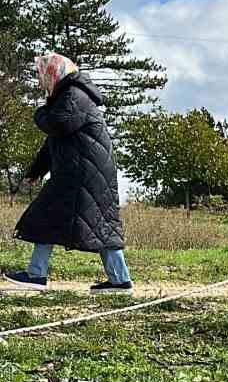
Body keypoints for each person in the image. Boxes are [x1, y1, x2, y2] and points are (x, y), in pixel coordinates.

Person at [5, 53, 133, 294]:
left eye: (42, 74)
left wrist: (39, 113)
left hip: (81, 174)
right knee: (100, 225)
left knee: (45, 217)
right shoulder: (69, 96)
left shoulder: (74, 95)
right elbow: (55, 140)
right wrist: (36, 171)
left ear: (54, 73)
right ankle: (120, 281)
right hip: (84, 174)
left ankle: (35, 275)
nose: (40, 79)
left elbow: (57, 125)